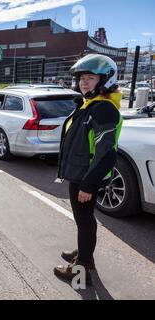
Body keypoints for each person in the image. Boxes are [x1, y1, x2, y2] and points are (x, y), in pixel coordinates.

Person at [54, 54, 124, 285]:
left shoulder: (103, 109)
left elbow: (107, 153)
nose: (84, 82)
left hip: (87, 177)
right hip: (82, 173)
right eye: (82, 78)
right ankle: (85, 256)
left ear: (104, 80)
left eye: (90, 78)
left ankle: (81, 269)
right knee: (85, 220)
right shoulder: (90, 105)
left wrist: (88, 184)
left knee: (84, 221)